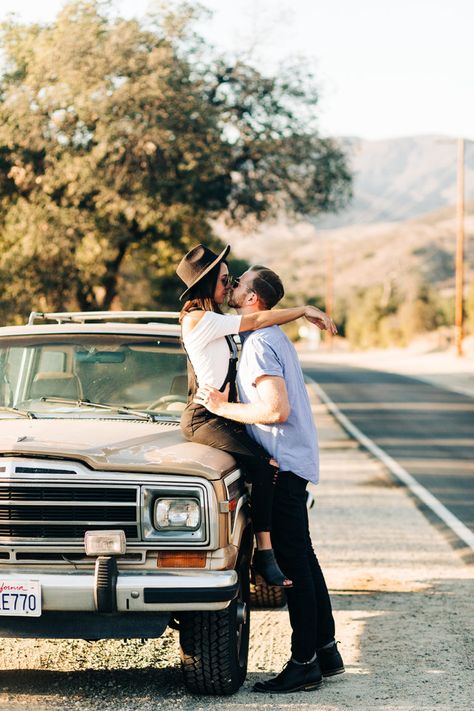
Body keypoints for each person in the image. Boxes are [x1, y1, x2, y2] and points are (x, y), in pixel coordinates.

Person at [194, 265, 344, 694]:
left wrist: (221, 410)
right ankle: (326, 651)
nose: (233, 287)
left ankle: (304, 664)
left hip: (283, 468)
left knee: (293, 566)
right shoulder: (271, 337)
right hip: (292, 463)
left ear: (252, 299)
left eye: (238, 283)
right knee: (305, 559)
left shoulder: (259, 343)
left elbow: (276, 410)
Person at [175, 244, 336, 589]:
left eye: (232, 280)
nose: (228, 285)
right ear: (207, 285)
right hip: (204, 417)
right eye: (224, 280)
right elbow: (259, 318)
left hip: (220, 414)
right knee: (264, 467)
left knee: (262, 469)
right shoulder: (198, 318)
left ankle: (257, 548)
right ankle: (263, 555)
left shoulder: (217, 322)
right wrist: (303, 309)